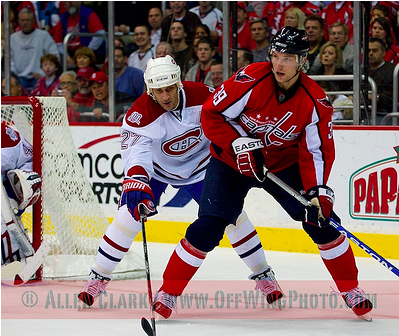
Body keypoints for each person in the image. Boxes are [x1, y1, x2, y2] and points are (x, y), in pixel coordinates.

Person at [152, 26, 373, 321]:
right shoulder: (251, 79)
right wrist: (237, 143)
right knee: (208, 228)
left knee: (322, 222)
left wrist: (318, 191)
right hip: (231, 162)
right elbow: (211, 114)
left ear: (303, 60)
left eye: (289, 58)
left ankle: (350, 289)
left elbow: (316, 152)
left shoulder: (314, 101)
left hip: (281, 166)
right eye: (276, 55)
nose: (279, 64)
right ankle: (168, 291)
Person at [77, 56, 283, 307]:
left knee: (233, 216)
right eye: (158, 91)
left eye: (169, 89)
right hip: (158, 171)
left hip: (204, 167)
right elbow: (137, 154)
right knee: (128, 215)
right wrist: (138, 180)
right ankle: (98, 276)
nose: (165, 96)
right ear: (149, 90)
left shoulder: (205, 95)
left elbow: (230, 120)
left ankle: (263, 274)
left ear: (178, 84)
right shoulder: (139, 115)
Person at [1, 122, 41, 266]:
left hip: (9, 190)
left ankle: (16, 258)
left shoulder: (6, 136)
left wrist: (22, 185)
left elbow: (30, 161)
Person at [9, 8, 59, 93]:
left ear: (33, 21)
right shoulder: (12, 38)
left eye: (28, 20)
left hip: (41, 77)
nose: (25, 22)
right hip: (19, 78)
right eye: (22, 20)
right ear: (18, 21)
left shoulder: (43, 36)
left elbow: (55, 57)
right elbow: (9, 61)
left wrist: (43, 73)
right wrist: (15, 76)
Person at [368, 37, 399, 124]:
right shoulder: (362, 70)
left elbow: (396, 95)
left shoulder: (393, 71)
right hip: (363, 112)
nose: (371, 53)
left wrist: (375, 97)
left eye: (375, 51)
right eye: (369, 51)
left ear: (384, 53)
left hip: (384, 114)